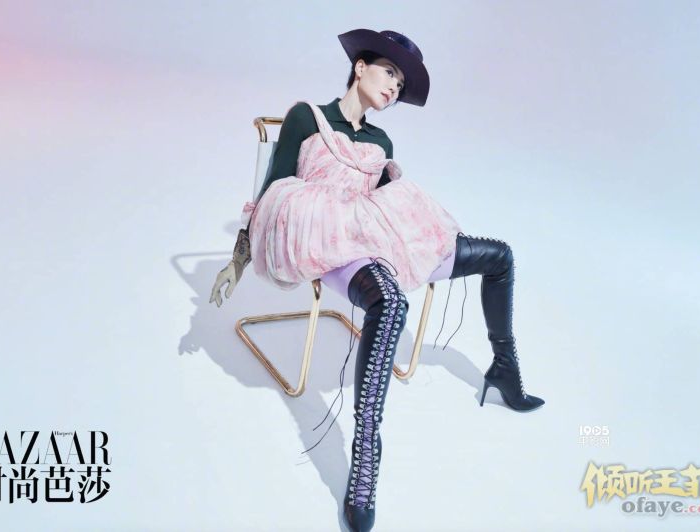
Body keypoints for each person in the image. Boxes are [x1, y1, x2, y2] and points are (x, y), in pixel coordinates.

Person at [211, 28, 545, 532]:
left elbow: (383, 206)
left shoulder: (381, 141)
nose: (393, 87)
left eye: (400, 83)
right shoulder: (307, 117)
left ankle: (505, 368)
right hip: (327, 245)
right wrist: (237, 260)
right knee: (390, 303)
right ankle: (366, 456)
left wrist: (396, 193)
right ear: (360, 67)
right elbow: (272, 191)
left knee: (499, 256)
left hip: (376, 237)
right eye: (389, 72)